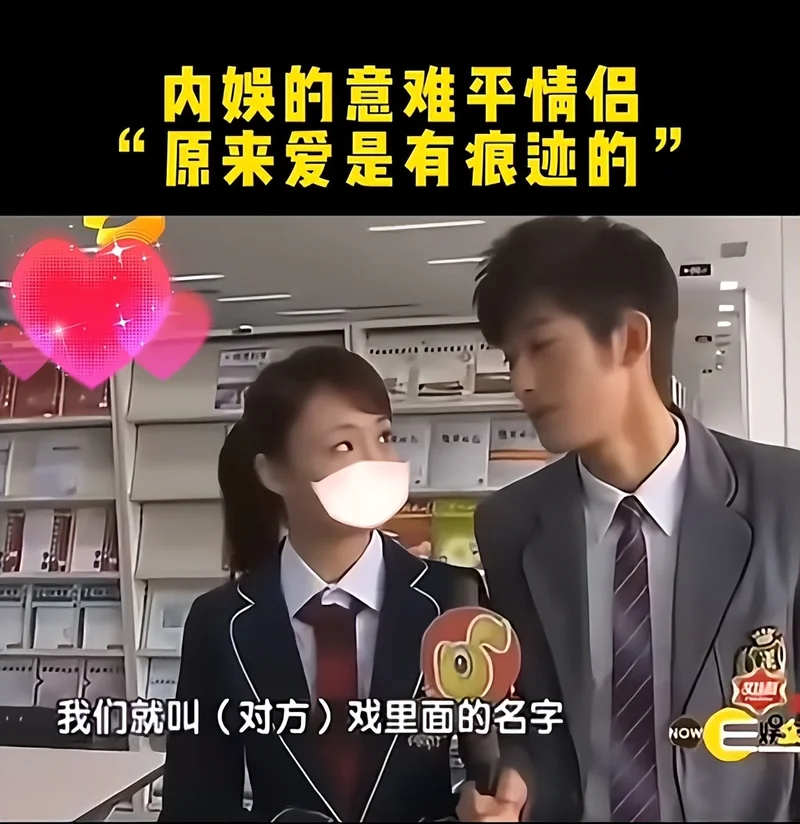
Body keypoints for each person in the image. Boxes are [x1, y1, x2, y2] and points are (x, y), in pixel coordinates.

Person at [455, 217, 800, 823]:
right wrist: (512, 779)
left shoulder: (784, 496)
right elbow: (533, 713)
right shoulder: (511, 525)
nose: (520, 383)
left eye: (541, 347)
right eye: (511, 358)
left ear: (630, 340)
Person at [159, 346, 487, 823]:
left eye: (384, 436)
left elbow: (496, 763)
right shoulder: (219, 622)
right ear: (274, 472)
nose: (376, 462)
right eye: (344, 446)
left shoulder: (454, 598)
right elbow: (196, 803)